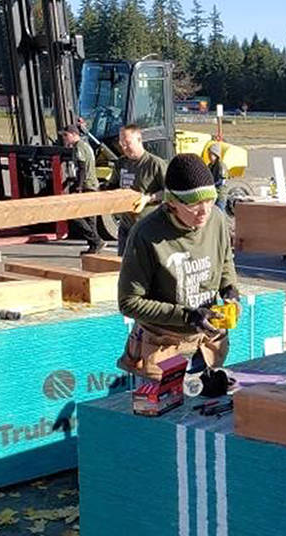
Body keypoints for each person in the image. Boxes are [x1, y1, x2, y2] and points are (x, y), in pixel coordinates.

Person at [116, 154, 239, 378]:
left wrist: (230, 289)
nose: (204, 211)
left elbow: (224, 260)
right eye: (194, 204)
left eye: (210, 200)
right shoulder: (146, 234)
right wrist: (186, 316)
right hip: (162, 347)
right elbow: (128, 303)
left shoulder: (217, 219)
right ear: (171, 202)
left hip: (206, 345)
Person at [107, 124, 167, 255]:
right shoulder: (121, 163)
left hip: (148, 225)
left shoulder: (155, 164)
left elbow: (170, 192)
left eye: (128, 143)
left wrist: (148, 198)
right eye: (122, 143)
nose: (124, 147)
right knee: (123, 267)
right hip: (126, 226)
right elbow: (112, 187)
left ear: (139, 140)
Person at [61, 122, 102, 254]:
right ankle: (94, 246)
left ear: (74, 135)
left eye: (66, 136)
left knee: (74, 214)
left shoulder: (78, 148)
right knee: (90, 219)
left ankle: (96, 241)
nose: (64, 138)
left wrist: (78, 187)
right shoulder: (86, 146)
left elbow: (82, 168)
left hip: (86, 186)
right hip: (92, 185)